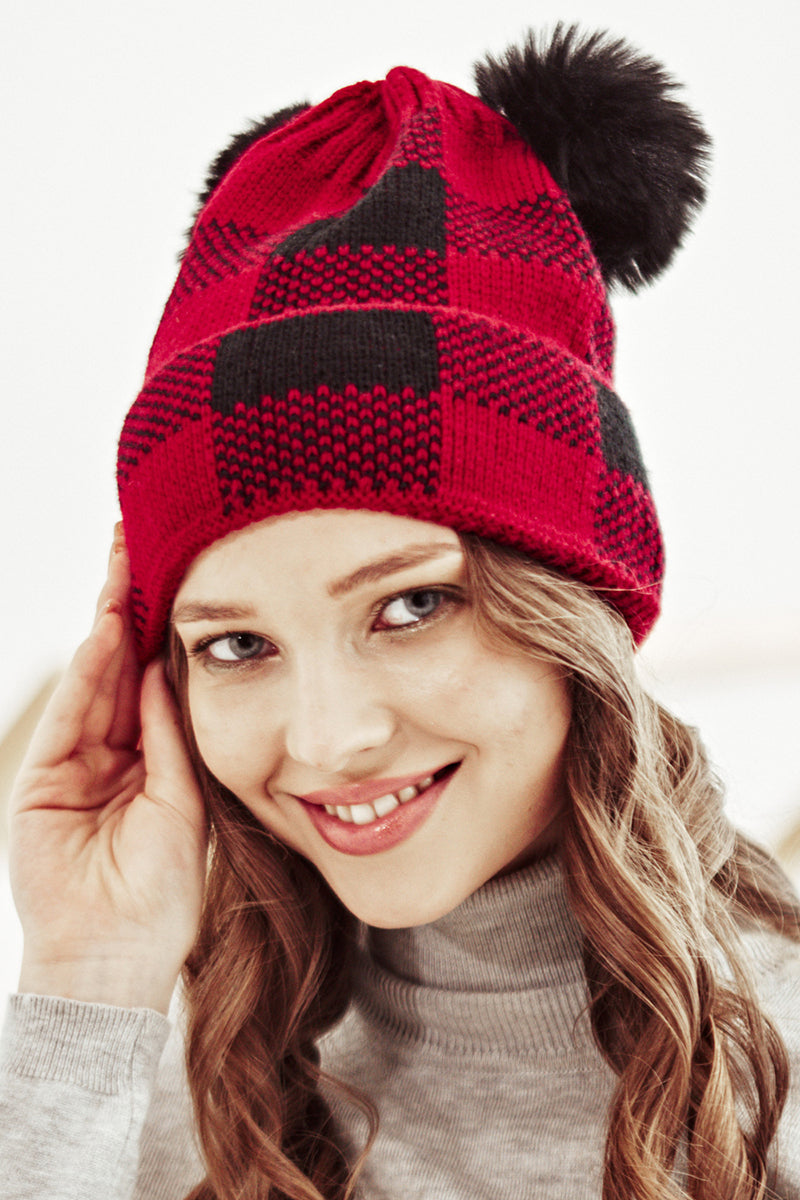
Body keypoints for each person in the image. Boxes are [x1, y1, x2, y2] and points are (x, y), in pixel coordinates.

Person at [2, 24, 799, 1200]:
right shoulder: (140, 1083)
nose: (325, 740)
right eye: (235, 644)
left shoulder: (768, 1068)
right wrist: (88, 970)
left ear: (573, 613)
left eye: (411, 605)